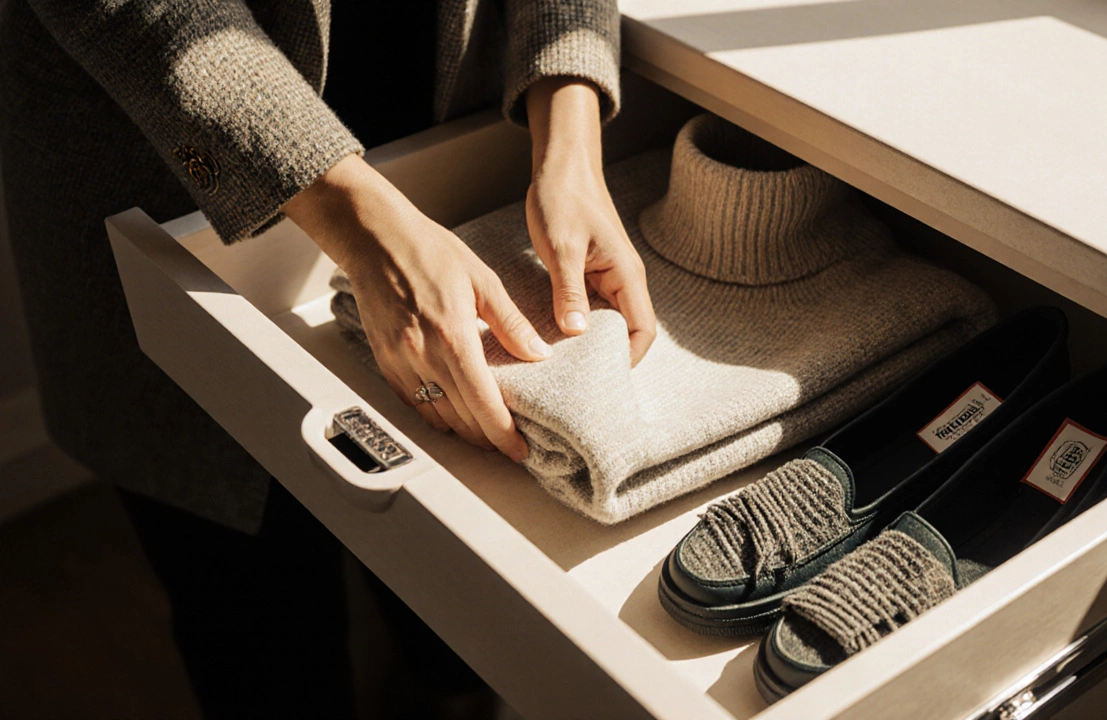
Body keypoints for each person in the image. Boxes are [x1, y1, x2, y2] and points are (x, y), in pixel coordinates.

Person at [0, 0, 654, 716]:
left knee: (448, 621)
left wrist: (571, 132)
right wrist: (362, 225)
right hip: (161, 155)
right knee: (259, 634)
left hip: (438, 119)